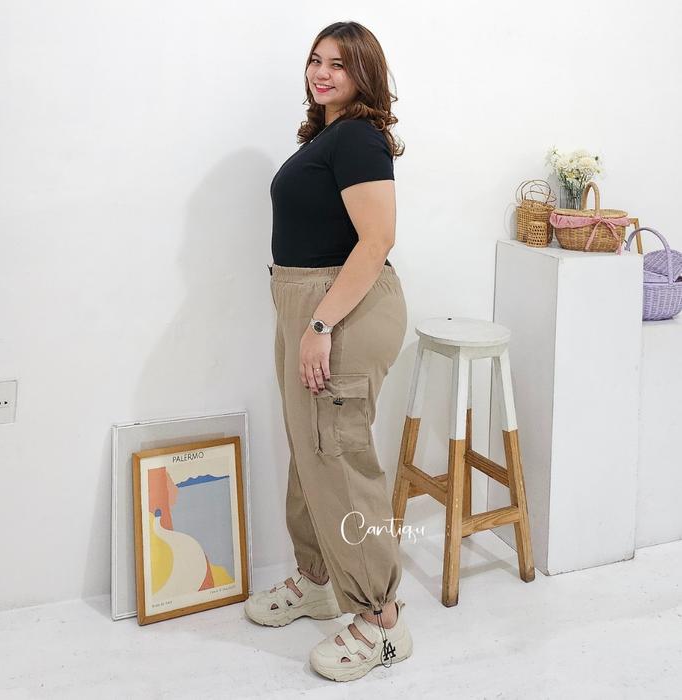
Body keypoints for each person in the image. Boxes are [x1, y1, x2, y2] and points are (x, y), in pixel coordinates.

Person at [244, 20, 412, 682]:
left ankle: (382, 620)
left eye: (338, 63)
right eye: (316, 59)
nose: (321, 72)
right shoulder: (326, 136)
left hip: (339, 309)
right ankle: (317, 581)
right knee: (310, 451)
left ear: (363, 72)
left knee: (338, 457)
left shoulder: (360, 138)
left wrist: (319, 325)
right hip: (307, 304)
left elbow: (376, 241)